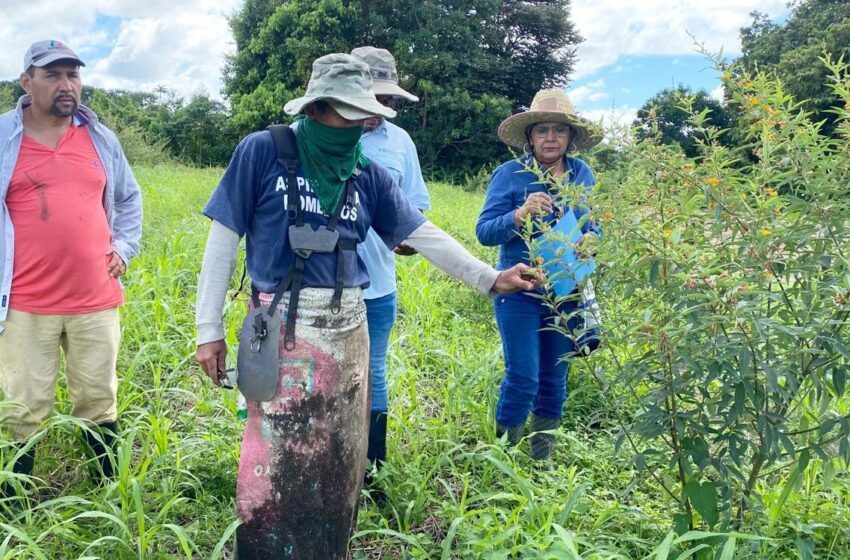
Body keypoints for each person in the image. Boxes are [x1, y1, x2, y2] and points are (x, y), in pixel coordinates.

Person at [194, 53, 536, 559]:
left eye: (369, 112)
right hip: (281, 325)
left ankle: (330, 548)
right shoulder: (263, 152)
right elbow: (222, 239)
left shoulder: (367, 173)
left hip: (348, 326)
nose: (365, 121)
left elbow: (424, 234)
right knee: (278, 456)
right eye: (353, 111)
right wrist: (209, 329)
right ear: (319, 107)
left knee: (337, 458)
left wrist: (490, 278)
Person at [0, 40, 143, 491]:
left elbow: (128, 197)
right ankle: (16, 503)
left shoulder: (100, 138)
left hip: (94, 299)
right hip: (25, 302)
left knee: (99, 398)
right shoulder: (4, 138)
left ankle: (108, 495)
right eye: (53, 75)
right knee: (23, 406)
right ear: (26, 82)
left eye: (73, 75)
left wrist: (123, 246)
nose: (67, 85)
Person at [476, 89, 603, 463]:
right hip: (519, 288)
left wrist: (592, 239)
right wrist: (519, 215)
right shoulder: (509, 175)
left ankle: (541, 458)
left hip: (568, 289)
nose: (551, 137)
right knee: (524, 376)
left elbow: (596, 225)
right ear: (529, 137)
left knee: (554, 379)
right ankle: (505, 459)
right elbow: (484, 232)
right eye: (542, 130)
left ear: (571, 137)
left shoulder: (584, 175)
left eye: (559, 130)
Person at [349, 46, 429, 480]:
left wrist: (409, 239)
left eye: (387, 99)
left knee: (373, 375)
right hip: (315, 291)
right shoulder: (307, 133)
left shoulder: (400, 143)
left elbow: (416, 205)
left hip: (378, 285)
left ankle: (372, 470)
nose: (379, 108)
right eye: (371, 97)